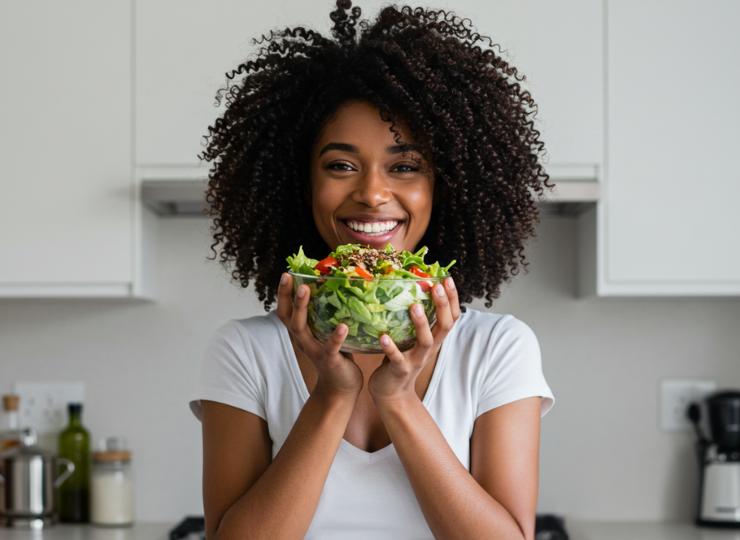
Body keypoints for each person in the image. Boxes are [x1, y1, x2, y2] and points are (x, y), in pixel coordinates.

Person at [189, 2, 554, 539]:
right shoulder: (246, 351)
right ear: (301, 184)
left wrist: (398, 399)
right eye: (341, 166)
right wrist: (333, 396)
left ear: (445, 186)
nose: (372, 194)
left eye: (404, 166)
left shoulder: (497, 348)